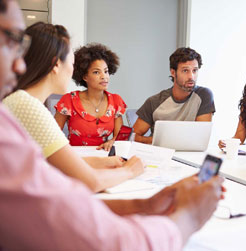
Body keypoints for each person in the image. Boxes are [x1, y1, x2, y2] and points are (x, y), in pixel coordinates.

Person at [0, 1, 225, 249]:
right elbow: (83, 207)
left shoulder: (20, 107)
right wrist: (189, 216)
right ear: (58, 65)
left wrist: (145, 205)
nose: (19, 64)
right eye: (13, 40)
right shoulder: (27, 106)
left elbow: (53, 181)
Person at [3, 22, 144, 193]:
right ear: (56, 65)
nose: (71, 71)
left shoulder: (21, 101)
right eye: (71, 62)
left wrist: (107, 162)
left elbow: (57, 160)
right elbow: (91, 182)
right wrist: (130, 170)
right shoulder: (29, 107)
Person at [133, 47, 216, 144]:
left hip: (190, 155)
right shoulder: (154, 102)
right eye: (185, 71)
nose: (191, 77)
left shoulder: (204, 96)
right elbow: (133, 136)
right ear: (173, 72)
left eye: (195, 70)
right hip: (159, 153)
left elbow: (201, 138)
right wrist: (155, 141)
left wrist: (169, 142)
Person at [55, 43, 125, 151]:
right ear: (85, 77)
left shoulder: (116, 101)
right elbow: (53, 135)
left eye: (106, 71)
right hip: (75, 158)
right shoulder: (69, 100)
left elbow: (119, 137)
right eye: (96, 72)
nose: (104, 77)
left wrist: (112, 142)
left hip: (104, 157)